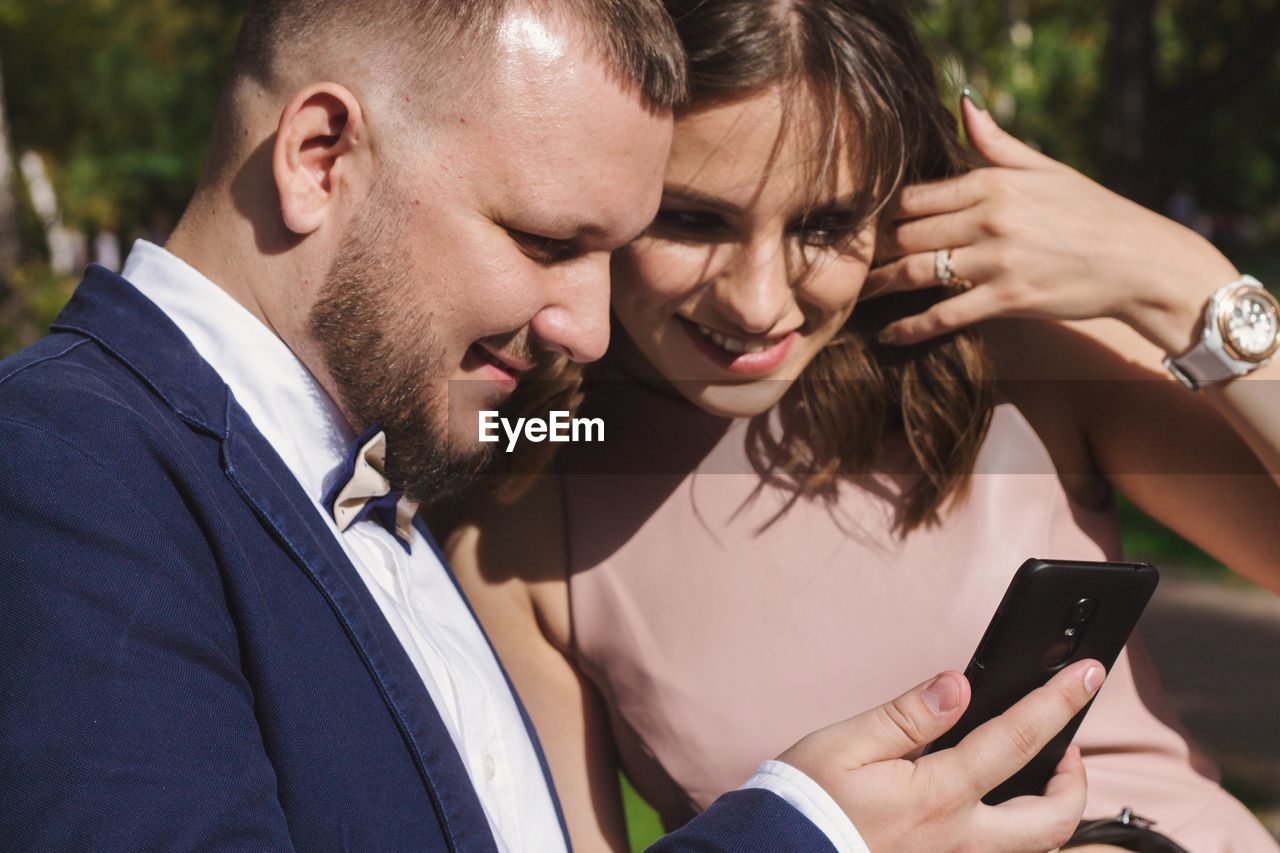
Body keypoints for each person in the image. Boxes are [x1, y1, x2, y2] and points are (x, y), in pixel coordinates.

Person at [0, 1, 1106, 852]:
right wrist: (810, 834)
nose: (583, 327)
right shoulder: (59, 472)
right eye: (542, 241)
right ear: (319, 157)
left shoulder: (385, 474)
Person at [439, 0, 1280, 850]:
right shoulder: (521, 518)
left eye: (826, 225)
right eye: (692, 219)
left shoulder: (1013, 347)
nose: (759, 302)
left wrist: (1184, 285)